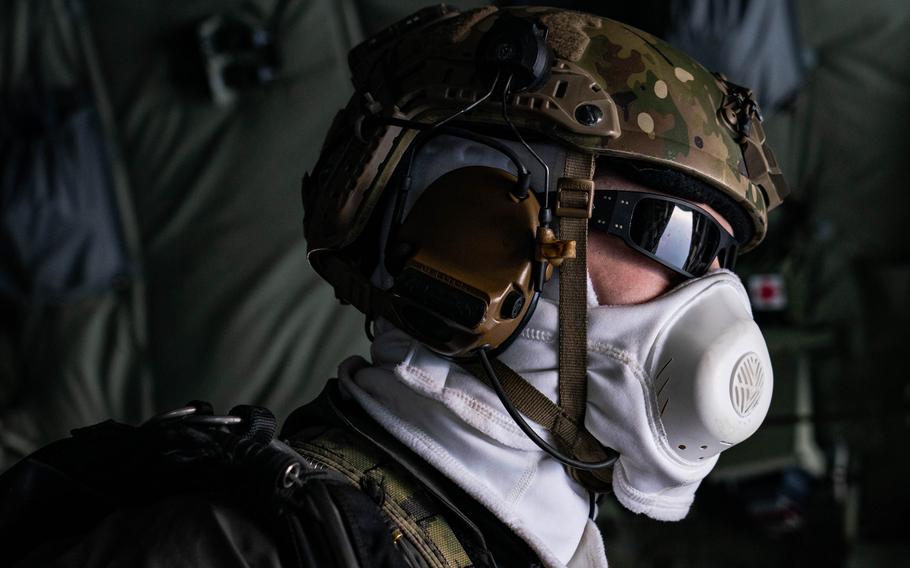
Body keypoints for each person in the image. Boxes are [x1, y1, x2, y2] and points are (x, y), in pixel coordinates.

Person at [0, 5, 787, 567]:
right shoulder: (248, 545)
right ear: (478, 234)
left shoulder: (508, 541)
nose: (715, 295)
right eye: (673, 237)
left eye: (723, 255)